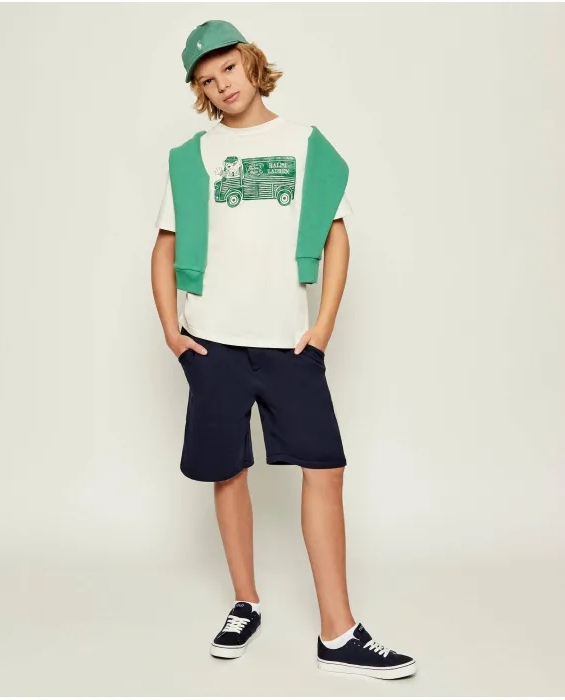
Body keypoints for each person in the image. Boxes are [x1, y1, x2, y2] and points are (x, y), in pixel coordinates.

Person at [151, 20, 417, 680]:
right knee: (228, 470)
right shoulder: (192, 156)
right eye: (207, 80)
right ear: (200, 92)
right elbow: (164, 244)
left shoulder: (305, 143)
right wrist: (171, 330)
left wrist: (322, 326)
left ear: (250, 61)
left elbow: (336, 235)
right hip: (212, 341)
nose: (222, 85)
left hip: (288, 344)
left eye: (228, 69)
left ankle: (338, 631)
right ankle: (245, 602)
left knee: (325, 467)